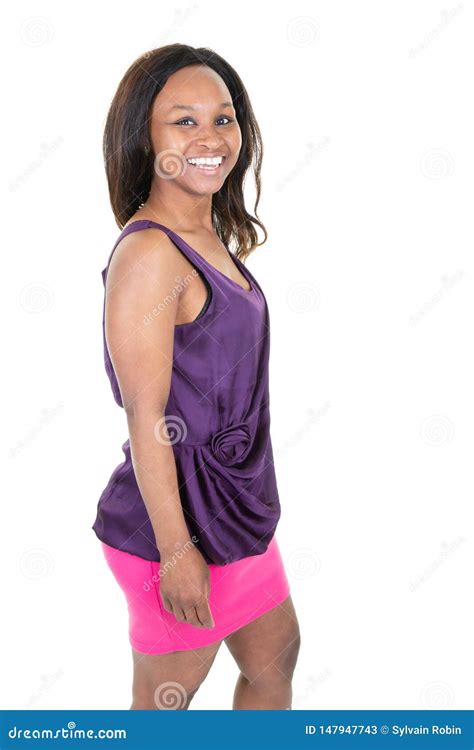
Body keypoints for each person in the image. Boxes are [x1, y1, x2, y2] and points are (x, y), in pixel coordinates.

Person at [92, 43, 301, 710]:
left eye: (225, 118)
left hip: (235, 511)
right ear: (142, 136)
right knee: (166, 708)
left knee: (275, 657)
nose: (212, 138)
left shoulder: (209, 233)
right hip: (174, 525)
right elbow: (145, 416)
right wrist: (178, 552)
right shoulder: (151, 253)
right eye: (184, 121)